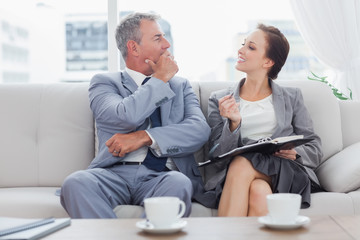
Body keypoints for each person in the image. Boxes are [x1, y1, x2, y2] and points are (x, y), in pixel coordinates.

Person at [60, 12, 215, 218]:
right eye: (158, 38)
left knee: (179, 183)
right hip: (113, 173)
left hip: (163, 176)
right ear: (133, 47)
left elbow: (199, 131)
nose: (167, 44)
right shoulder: (105, 83)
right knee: (76, 183)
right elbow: (125, 116)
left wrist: (144, 137)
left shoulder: (180, 86)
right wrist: (159, 78)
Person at [206, 23, 323, 217]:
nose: (240, 50)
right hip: (240, 176)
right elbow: (217, 157)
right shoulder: (220, 99)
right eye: (244, 44)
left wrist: (295, 152)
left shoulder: (292, 97)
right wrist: (233, 124)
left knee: (241, 164)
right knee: (259, 191)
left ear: (268, 62)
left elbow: (315, 148)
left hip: (283, 169)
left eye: (250, 47)